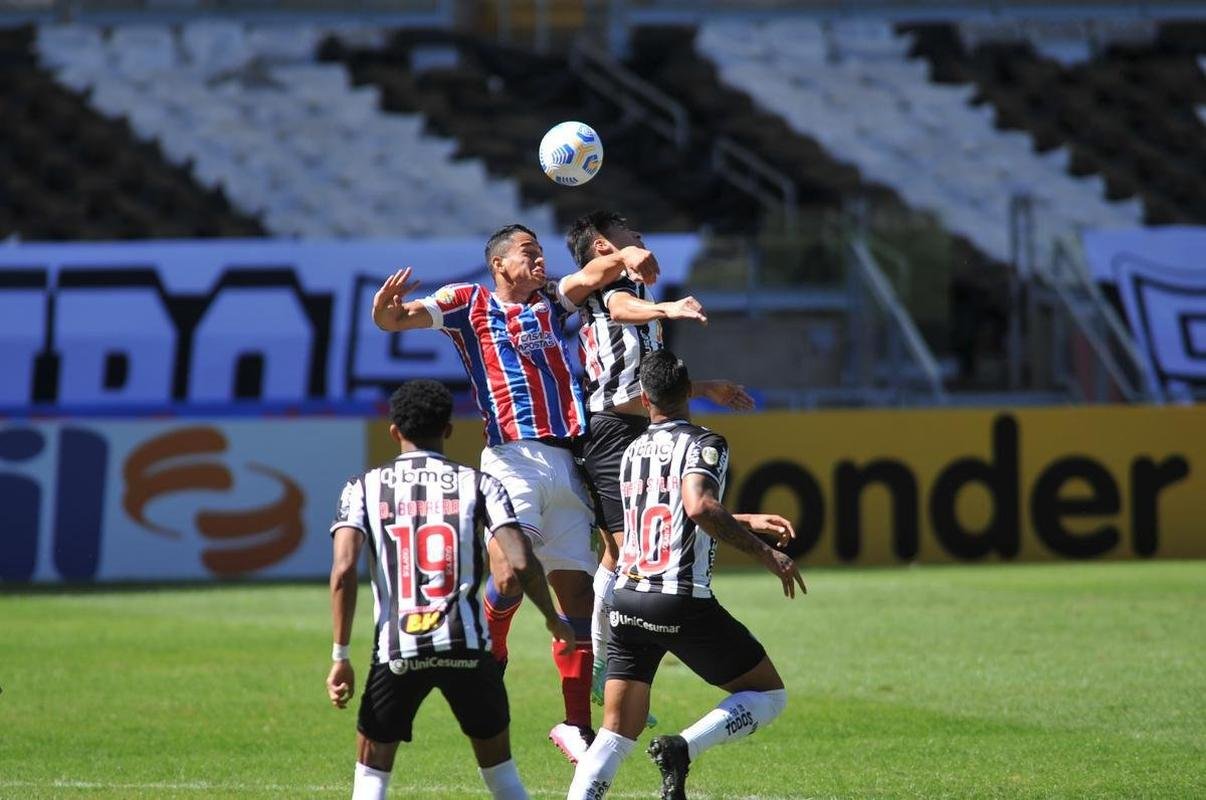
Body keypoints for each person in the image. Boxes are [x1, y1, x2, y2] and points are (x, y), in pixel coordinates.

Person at [369, 224, 659, 762]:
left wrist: (627, 253)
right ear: (499, 264)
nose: (540, 260)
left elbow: (595, 273)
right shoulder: (468, 302)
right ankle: (491, 651)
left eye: (542, 252)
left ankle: (574, 724)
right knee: (508, 573)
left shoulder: (551, 302)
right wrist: (382, 309)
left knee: (575, 595)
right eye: (529, 253)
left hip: (568, 460)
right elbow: (394, 320)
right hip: (511, 457)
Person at [566, 351, 806, 800]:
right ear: (688, 392)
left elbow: (670, 512)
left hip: (626, 597)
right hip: (677, 598)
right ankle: (684, 748)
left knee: (616, 733)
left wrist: (745, 519)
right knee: (768, 696)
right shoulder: (706, 444)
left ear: (644, 398)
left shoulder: (632, 450)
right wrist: (767, 555)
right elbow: (697, 506)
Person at [326, 380, 575, 800]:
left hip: (398, 649)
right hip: (467, 647)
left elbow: (344, 568)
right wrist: (553, 620)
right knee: (503, 778)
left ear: (394, 432)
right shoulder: (480, 484)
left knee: (370, 781)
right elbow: (519, 560)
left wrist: (341, 656)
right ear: (448, 429)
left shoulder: (361, 487)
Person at [564, 211, 757, 713]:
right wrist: (668, 308)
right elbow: (621, 308)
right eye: (631, 234)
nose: (640, 239)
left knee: (622, 553)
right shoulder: (609, 288)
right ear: (604, 246)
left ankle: (615, 666)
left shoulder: (633, 290)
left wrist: (707, 387)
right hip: (610, 429)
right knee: (628, 553)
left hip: (639, 425)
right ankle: (610, 663)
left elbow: (646, 380)